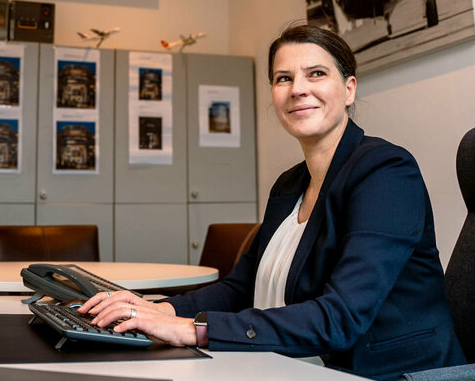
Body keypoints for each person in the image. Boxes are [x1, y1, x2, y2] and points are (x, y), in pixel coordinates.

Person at [79, 24, 466, 380]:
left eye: (316, 74)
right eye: (284, 78)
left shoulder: (385, 172)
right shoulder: (290, 184)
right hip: (284, 364)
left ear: (348, 89)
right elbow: (239, 288)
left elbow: (341, 317)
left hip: (380, 373)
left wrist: (191, 330)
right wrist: (158, 310)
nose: (298, 88)